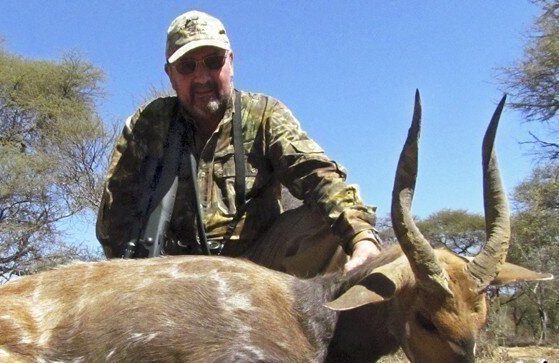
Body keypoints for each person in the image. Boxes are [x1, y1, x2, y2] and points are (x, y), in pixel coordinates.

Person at [96, 10, 381, 277]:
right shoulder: (148, 124)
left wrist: (361, 237)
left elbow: (317, 175)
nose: (202, 77)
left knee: (326, 225)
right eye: (186, 66)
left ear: (231, 61)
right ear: (170, 75)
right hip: (173, 276)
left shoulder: (265, 114)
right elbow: (115, 220)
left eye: (213, 61)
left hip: (258, 271)